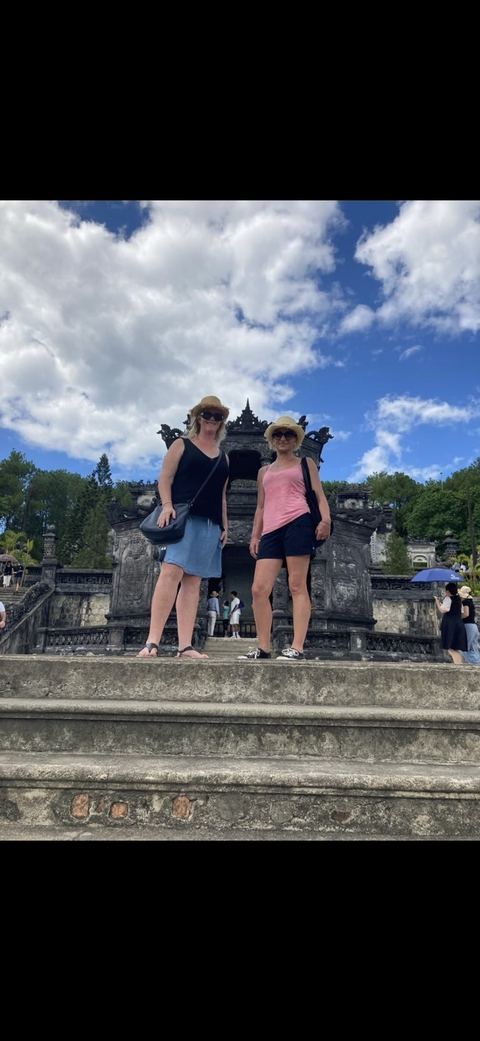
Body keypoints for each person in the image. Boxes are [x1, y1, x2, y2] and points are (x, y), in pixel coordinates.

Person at [137, 395, 230, 658]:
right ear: (198, 417)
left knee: (193, 581)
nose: (212, 419)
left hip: (210, 523)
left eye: (217, 416)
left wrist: (225, 525)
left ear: (222, 421)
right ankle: (152, 641)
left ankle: (185, 645)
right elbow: (164, 477)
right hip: (183, 518)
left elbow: (222, 495)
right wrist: (167, 505)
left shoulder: (224, 457)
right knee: (170, 572)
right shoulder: (182, 444)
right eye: (207, 414)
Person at [238, 414, 332, 661]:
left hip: (298, 522)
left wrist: (325, 520)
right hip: (270, 530)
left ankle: (297, 646)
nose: (282, 438)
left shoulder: (305, 463)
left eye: (288, 434)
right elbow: (260, 506)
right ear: (271, 439)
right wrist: (254, 535)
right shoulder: (263, 472)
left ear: (295, 439)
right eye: (278, 434)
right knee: (259, 589)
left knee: (296, 585)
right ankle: (264, 646)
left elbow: (319, 495)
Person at [434, 582, 468, 664]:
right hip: (458, 623)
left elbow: (443, 610)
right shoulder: (458, 599)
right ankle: (458, 663)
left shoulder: (448, 599)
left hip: (450, 625)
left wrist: (437, 602)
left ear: (448, 591)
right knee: (454, 647)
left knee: (450, 647)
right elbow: (461, 612)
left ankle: (458, 665)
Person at [458, 585, 480, 664]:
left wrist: (458, 617)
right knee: (473, 647)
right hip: (473, 626)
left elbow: (466, 614)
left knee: (464, 647)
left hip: (468, 625)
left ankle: (476, 662)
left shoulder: (465, 602)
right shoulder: (471, 602)